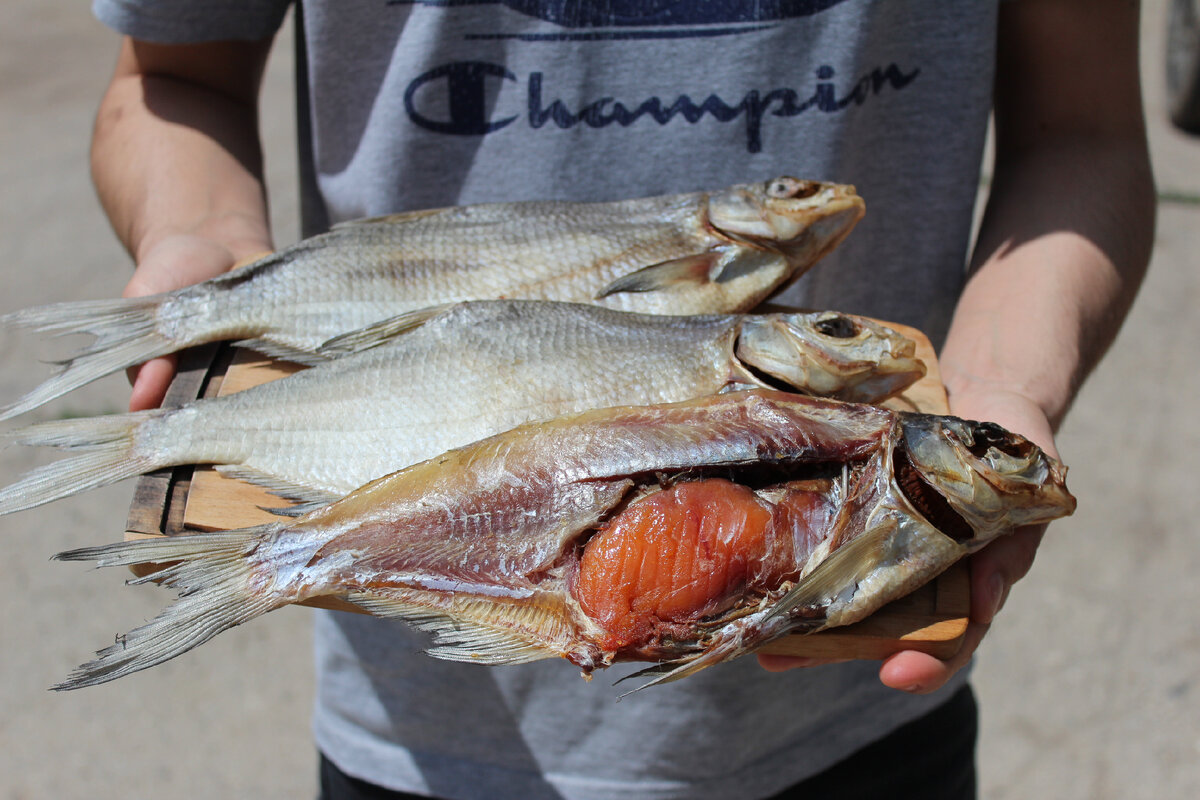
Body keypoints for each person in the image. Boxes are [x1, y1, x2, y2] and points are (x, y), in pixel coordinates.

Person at [88, 1, 1154, 798]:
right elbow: (174, 78)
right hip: (419, 740)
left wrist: (1010, 389)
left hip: (859, 728)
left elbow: (1085, 128)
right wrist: (203, 248)